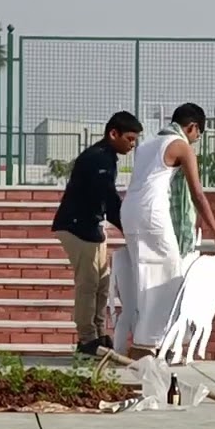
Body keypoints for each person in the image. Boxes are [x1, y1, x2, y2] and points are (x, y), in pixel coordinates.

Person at [117, 102, 215, 360]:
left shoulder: (147, 144)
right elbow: (198, 194)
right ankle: (150, 344)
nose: (196, 140)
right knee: (171, 276)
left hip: (131, 212)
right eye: (198, 135)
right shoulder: (181, 146)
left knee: (144, 274)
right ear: (192, 127)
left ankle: (143, 340)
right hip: (151, 214)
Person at [50, 111, 142, 356]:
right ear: (114, 134)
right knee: (88, 284)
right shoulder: (97, 158)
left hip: (91, 227)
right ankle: (87, 339)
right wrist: (129, 228)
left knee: (102, 284)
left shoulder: (108, 157)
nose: (132, 145)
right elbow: (108, 198)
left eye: (135, 140)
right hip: (77, 227)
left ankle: (99, 334)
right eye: (129, 138)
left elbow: (108, 200)